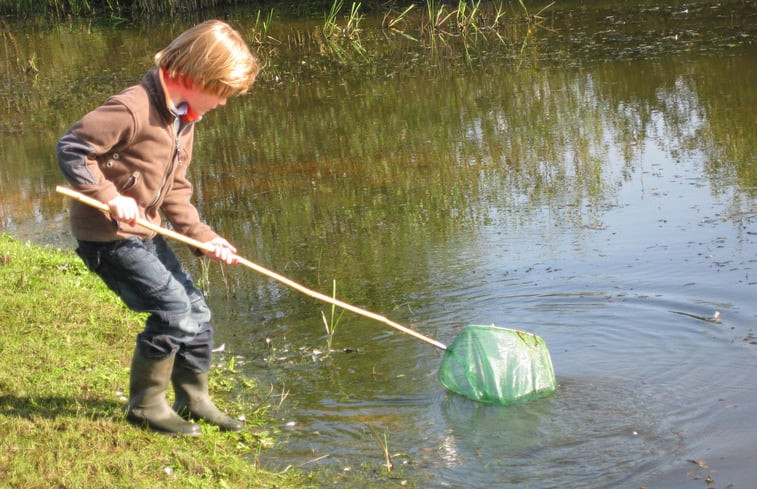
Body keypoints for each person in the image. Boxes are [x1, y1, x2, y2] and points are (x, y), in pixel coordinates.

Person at [57, 20, 260, 436]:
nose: (223, 103)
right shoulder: (132, 109)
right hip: (109, 239)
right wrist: (110, 197)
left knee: (197, 312)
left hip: (145, 233)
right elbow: (73, 148)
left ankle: (194, 399)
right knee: (172, 312)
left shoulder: (183, 118)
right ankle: (146, 406)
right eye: (222, 92)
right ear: (195, 76)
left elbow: (175, 190)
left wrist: (204, 238)